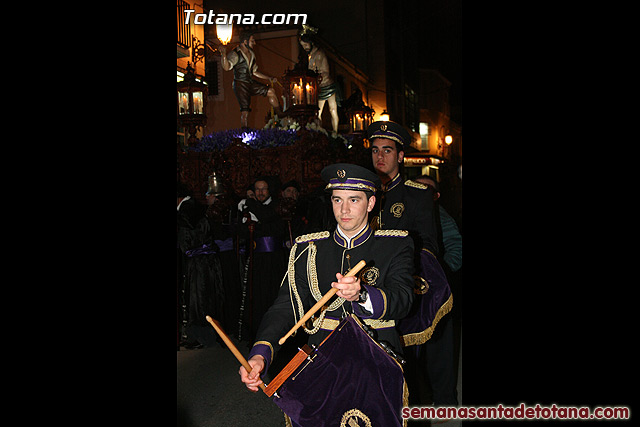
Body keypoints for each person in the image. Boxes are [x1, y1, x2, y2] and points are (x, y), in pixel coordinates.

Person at [239, 164, 415, 406]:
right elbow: (285, 306)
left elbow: (403, 299)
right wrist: (261, 353)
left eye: (354, 200)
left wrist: (362, 296)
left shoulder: (395, 245)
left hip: (377, 357)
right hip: (321, 361)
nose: (344, 209)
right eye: (337, 200)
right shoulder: (309, 249)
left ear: (371, 203)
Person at [367, 120, 457, 406]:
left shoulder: (417, 194)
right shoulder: (361, 193)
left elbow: (429, 245)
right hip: (365, 288)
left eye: (387, 151)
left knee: (407, 359)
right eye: (375, 150)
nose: (380, 157)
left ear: (401, 156)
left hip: (401, 288)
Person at [236, 177, 288, 340]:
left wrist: (253, 211)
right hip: (256, 260)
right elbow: (241, 231)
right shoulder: (249, 208)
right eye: (257, 189)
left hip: (274, 261)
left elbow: (273, 224)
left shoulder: (277, 205)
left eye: (263, 189)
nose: (260, 192)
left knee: (273, 296)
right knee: (257, 297)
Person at [177, 182, 225, 349]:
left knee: (198, 300)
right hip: (208, 262)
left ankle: (200, 338)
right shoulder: (195, 207)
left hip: (198, 264)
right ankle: (209, 336)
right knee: (209, 297)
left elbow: (185, 241)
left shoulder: (185, 212)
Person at [220, 31, 281, 128]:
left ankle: (280, 114)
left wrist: (269, 78)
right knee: (245, 111)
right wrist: (223, 55)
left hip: (250, 82)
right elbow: (227, 67)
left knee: (271, 91)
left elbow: (254, 71)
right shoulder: (235, 54)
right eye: (252, 41)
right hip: (240, 84)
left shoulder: (252, 54)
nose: (255, 43)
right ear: (245, 42)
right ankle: (245, 132)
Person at [299, 26, 341, 135]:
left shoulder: (320, 54)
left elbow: (325, 71)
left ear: (311, 43)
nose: (305, 47)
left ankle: (335, 131)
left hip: (327, 85)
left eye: (306, 45)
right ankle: (319, 131)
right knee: (318, 112)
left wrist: (316, 74)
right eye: (303, 46)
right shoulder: (310, 56)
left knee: (332, 110)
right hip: (318, 87)